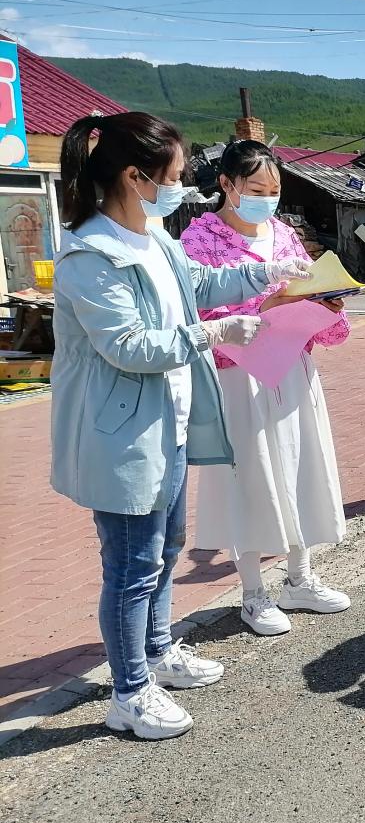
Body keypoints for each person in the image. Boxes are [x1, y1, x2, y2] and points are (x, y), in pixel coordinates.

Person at [51, 112, 312, 740]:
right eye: (171, 176)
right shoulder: (90, 255)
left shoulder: (156, 239)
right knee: (131, 566)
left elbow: (200, 282)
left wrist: (266, 273)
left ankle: (159, 651)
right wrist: (214, 334)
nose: (180, 187)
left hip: (165, 422)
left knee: (166, 549)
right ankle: (129, 692)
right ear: (134, 176)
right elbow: (129, 346)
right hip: (121, 435)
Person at [180, 140, 352, 637]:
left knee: (298, 468)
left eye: (274, 190)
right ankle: (253, 593)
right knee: (249, 479)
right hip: (240, 376)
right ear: (226, 185)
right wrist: (266, 309)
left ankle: (300, 577)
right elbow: (199, 313)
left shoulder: (283, 233)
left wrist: (324, 304)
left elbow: (305, 288)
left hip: (292, 369)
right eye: (256, 189)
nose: (267, 199)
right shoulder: (200, 239)